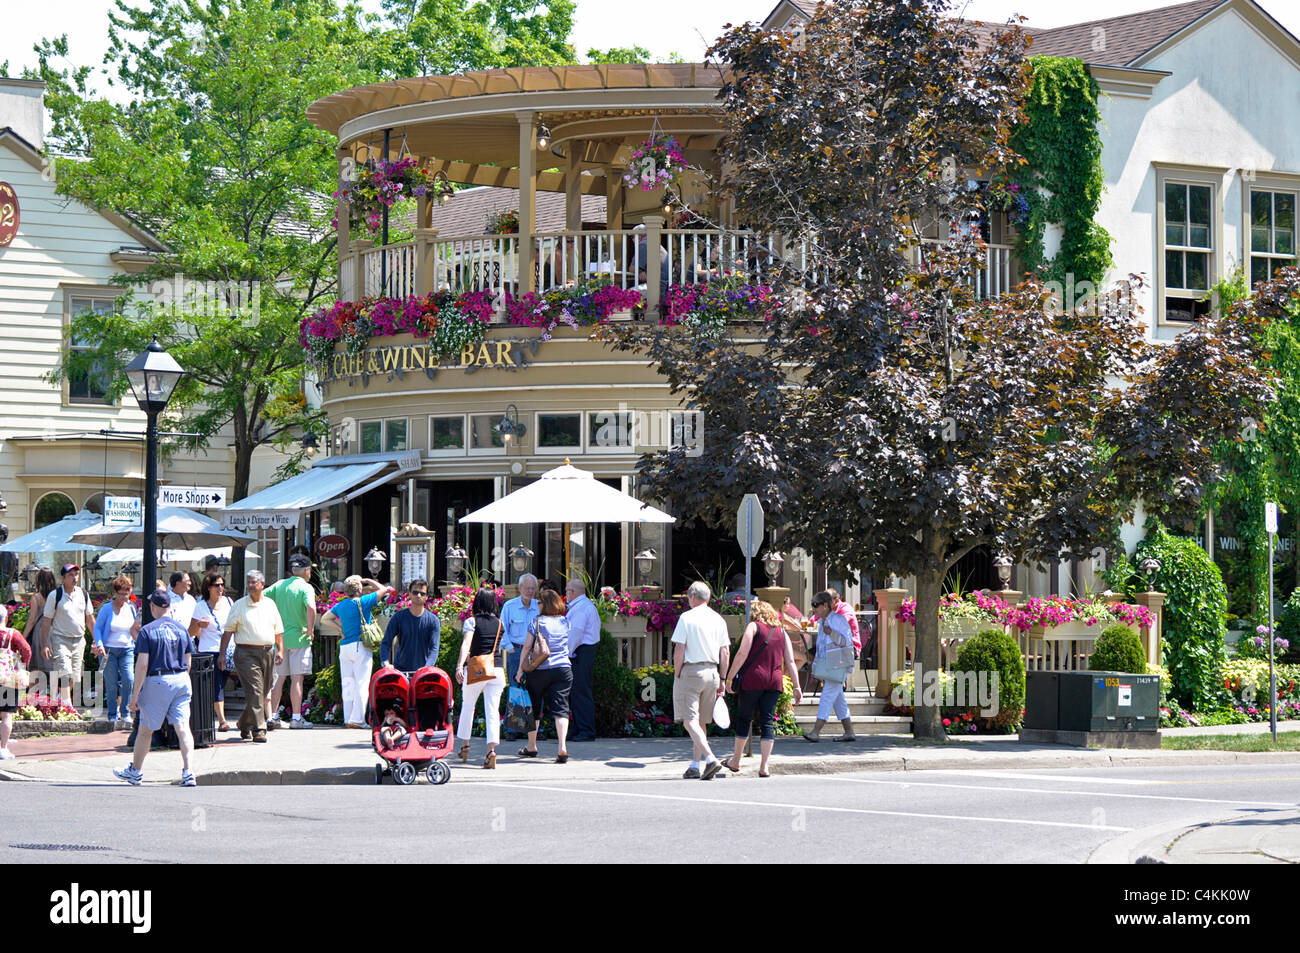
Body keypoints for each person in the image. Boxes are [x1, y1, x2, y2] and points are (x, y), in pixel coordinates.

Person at [114, 590, 198, 786]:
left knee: (145, 730)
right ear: (168, 606)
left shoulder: (146, 631)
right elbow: (188, 661)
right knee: (183, 727)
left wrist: (135, 695)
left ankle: (135, 772)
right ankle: (188, 772)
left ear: (153, 607)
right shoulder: (181, 629)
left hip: (158, 680)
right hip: (181, 679)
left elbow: (142, 664)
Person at [722, 599, 803, 777]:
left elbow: (742, 653)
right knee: (767, 721)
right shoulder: (782, 631)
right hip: (774, 680)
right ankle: (764, 766)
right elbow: (790, 661)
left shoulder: (753, 626)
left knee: (744, 718)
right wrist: (796, 687)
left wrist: (729, 678)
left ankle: (736, 760)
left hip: (753, 679)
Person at [671, 581, 731, 780]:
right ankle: (695, 765)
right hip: (712, 672)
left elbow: (679, 649)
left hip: (691, 671)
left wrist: (677, 672)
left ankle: (711, 759)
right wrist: (722, 678)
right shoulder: (718, 619)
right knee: (702, 722)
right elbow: (725, 651)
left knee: (689, 721)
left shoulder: (686, 618)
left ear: (693, 597)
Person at [218, 570, 284, 743]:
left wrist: (281, 650)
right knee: (256, 689)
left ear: (262, 584)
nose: (250, 585)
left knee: (263, 691)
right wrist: (222, 654)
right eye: (248, 582)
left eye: (254, 582)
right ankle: (259, 729)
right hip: (245, 653)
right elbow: (227, 632)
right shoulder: (239, 605)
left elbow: (278, 630)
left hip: (268, 651)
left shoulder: (270, 604)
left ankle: (243, 723)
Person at [320, 574, 391, 728]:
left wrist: (340, 629)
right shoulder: (364, 601)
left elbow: (325, 619)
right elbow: (383, 589)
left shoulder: (341, 605)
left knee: (348, 683)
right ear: (359, 589)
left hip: (345, 647)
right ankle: (358, 720)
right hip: (361, 646)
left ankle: (348, 719)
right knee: (361, 683)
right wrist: (367, 580)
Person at [516, 587, 571, 763]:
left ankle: (532, 746)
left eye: (539, 602)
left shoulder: (537, 622)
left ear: (545, 604)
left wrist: (520, 670)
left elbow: (527, 647)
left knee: (534, 707)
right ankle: (562, 747)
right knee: (561, 708)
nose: (537, 605)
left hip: (539, 669)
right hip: (563, 668)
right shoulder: (565, 621)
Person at [265, 555, 318, 729]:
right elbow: (311, 607)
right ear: (305, 570)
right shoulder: (306, 587)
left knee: (278, 679)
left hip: (279, 639)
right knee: (297, 679)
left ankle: (272, 716)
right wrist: (310, 630)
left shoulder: (280, 585)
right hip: (300, 639)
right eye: (310, 569)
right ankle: (296, 718)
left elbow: (260, 595)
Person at [454, 587, 505, 769]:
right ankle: (491, 751)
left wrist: (460, 665)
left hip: (476, 670)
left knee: (468, 707)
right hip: (497, 669)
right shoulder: (500, 623)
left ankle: (465, 746)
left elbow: (467, 644)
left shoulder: (471, 621)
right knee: (493, 711)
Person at [41, 564, 95, 710]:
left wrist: (97, 641)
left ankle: (61, 698)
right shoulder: (55, 595)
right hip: (60, 639)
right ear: (63, 578)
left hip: (79, 640)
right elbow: (46, 621)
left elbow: (90, 619)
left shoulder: (83, 594)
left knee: (76, 677)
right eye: (71, 575)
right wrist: (45, 644)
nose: (75, 578)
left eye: (76, 575)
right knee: (65, 673)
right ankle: (67, 705)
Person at [806, 590, 856, 742]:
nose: (813, 608)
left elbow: (847, 642)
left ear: (825, 605)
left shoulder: (838, 620)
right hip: (830, 665)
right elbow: (821, 647)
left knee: (827, 697)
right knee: (838, 698)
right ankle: (849, 732)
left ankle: (815, 731)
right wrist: (816, 667)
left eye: (816, 605)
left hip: (838, 664)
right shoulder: (822, 622)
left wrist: (831, 633)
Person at [91, 574, 141, 729]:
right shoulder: (107, 609)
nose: (124, 597)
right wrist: (99, 644)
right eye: (121, 594)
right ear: (115, 592)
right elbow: (97, 628)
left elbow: (134, 628)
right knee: (111, 683)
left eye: (127, 593)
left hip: (127, 649)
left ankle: (126, 713)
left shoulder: (131, 608)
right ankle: (113, 714)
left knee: (129, 679)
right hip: (109, 651)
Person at [189, 571, 235, 732]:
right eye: (217, 585)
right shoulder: (201, 606)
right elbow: (190, 632)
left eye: (222, 585)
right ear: (208, 588)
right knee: (217, 685)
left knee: (223, 682)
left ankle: (217, 715)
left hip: (228, 649)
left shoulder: (229, 602)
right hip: (209, 650)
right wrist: (199, 626)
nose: (220, 588)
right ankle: (222, 720)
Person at [498, 574, 539, 740]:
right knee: (515, 688)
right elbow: (502, 629)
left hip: (535, 653)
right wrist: (509, 648)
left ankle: (535, 730)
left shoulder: (539, 606)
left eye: (532, 588)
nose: (530, 591)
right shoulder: (510, 606)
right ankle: (512, 729)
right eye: (527, 588)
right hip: (516, 651)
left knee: (536, 689)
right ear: (520, 588)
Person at [564, 577, 600, 742]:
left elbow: (575, 633)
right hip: (583, 651)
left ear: (572, 592)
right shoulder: (584, 606)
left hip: (580, 652)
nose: (566, 594)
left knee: (580, 691)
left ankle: (586, 730)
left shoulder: (580, 608)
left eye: (567, 591)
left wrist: (567, 653)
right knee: (577, 691)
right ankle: (579, 728)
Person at [380, 578, 441, 674]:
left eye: (422, 593)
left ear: (427, 597)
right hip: (400, 671)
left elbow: (434, 648)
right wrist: (385, 663)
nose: (418, 595)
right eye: (415, 592)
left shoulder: (433, 621)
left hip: (423, 673)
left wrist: (427, 667)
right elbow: (386, 642)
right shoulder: (398, 617)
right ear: (409, 594)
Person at [0, 604, 32, 761]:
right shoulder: (13, 634)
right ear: (6, 618)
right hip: (8, 680)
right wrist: (22, 664)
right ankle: (3, 748)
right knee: (6, 715)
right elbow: (27, 650)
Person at [21, 568, 56, 676]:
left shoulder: (36, 598)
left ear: (39, 581)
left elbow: (31, 621)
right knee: (54, 668)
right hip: (54, 630)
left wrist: (22, 638)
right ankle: (55, 692)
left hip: (40, 632)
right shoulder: (57, 596)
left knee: (36, 669)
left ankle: (33, 692)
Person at [829, 587, 862, 657]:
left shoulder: (846, 608)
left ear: (836, 601)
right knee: (808, 655)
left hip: (850, 646)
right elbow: (813, 620)